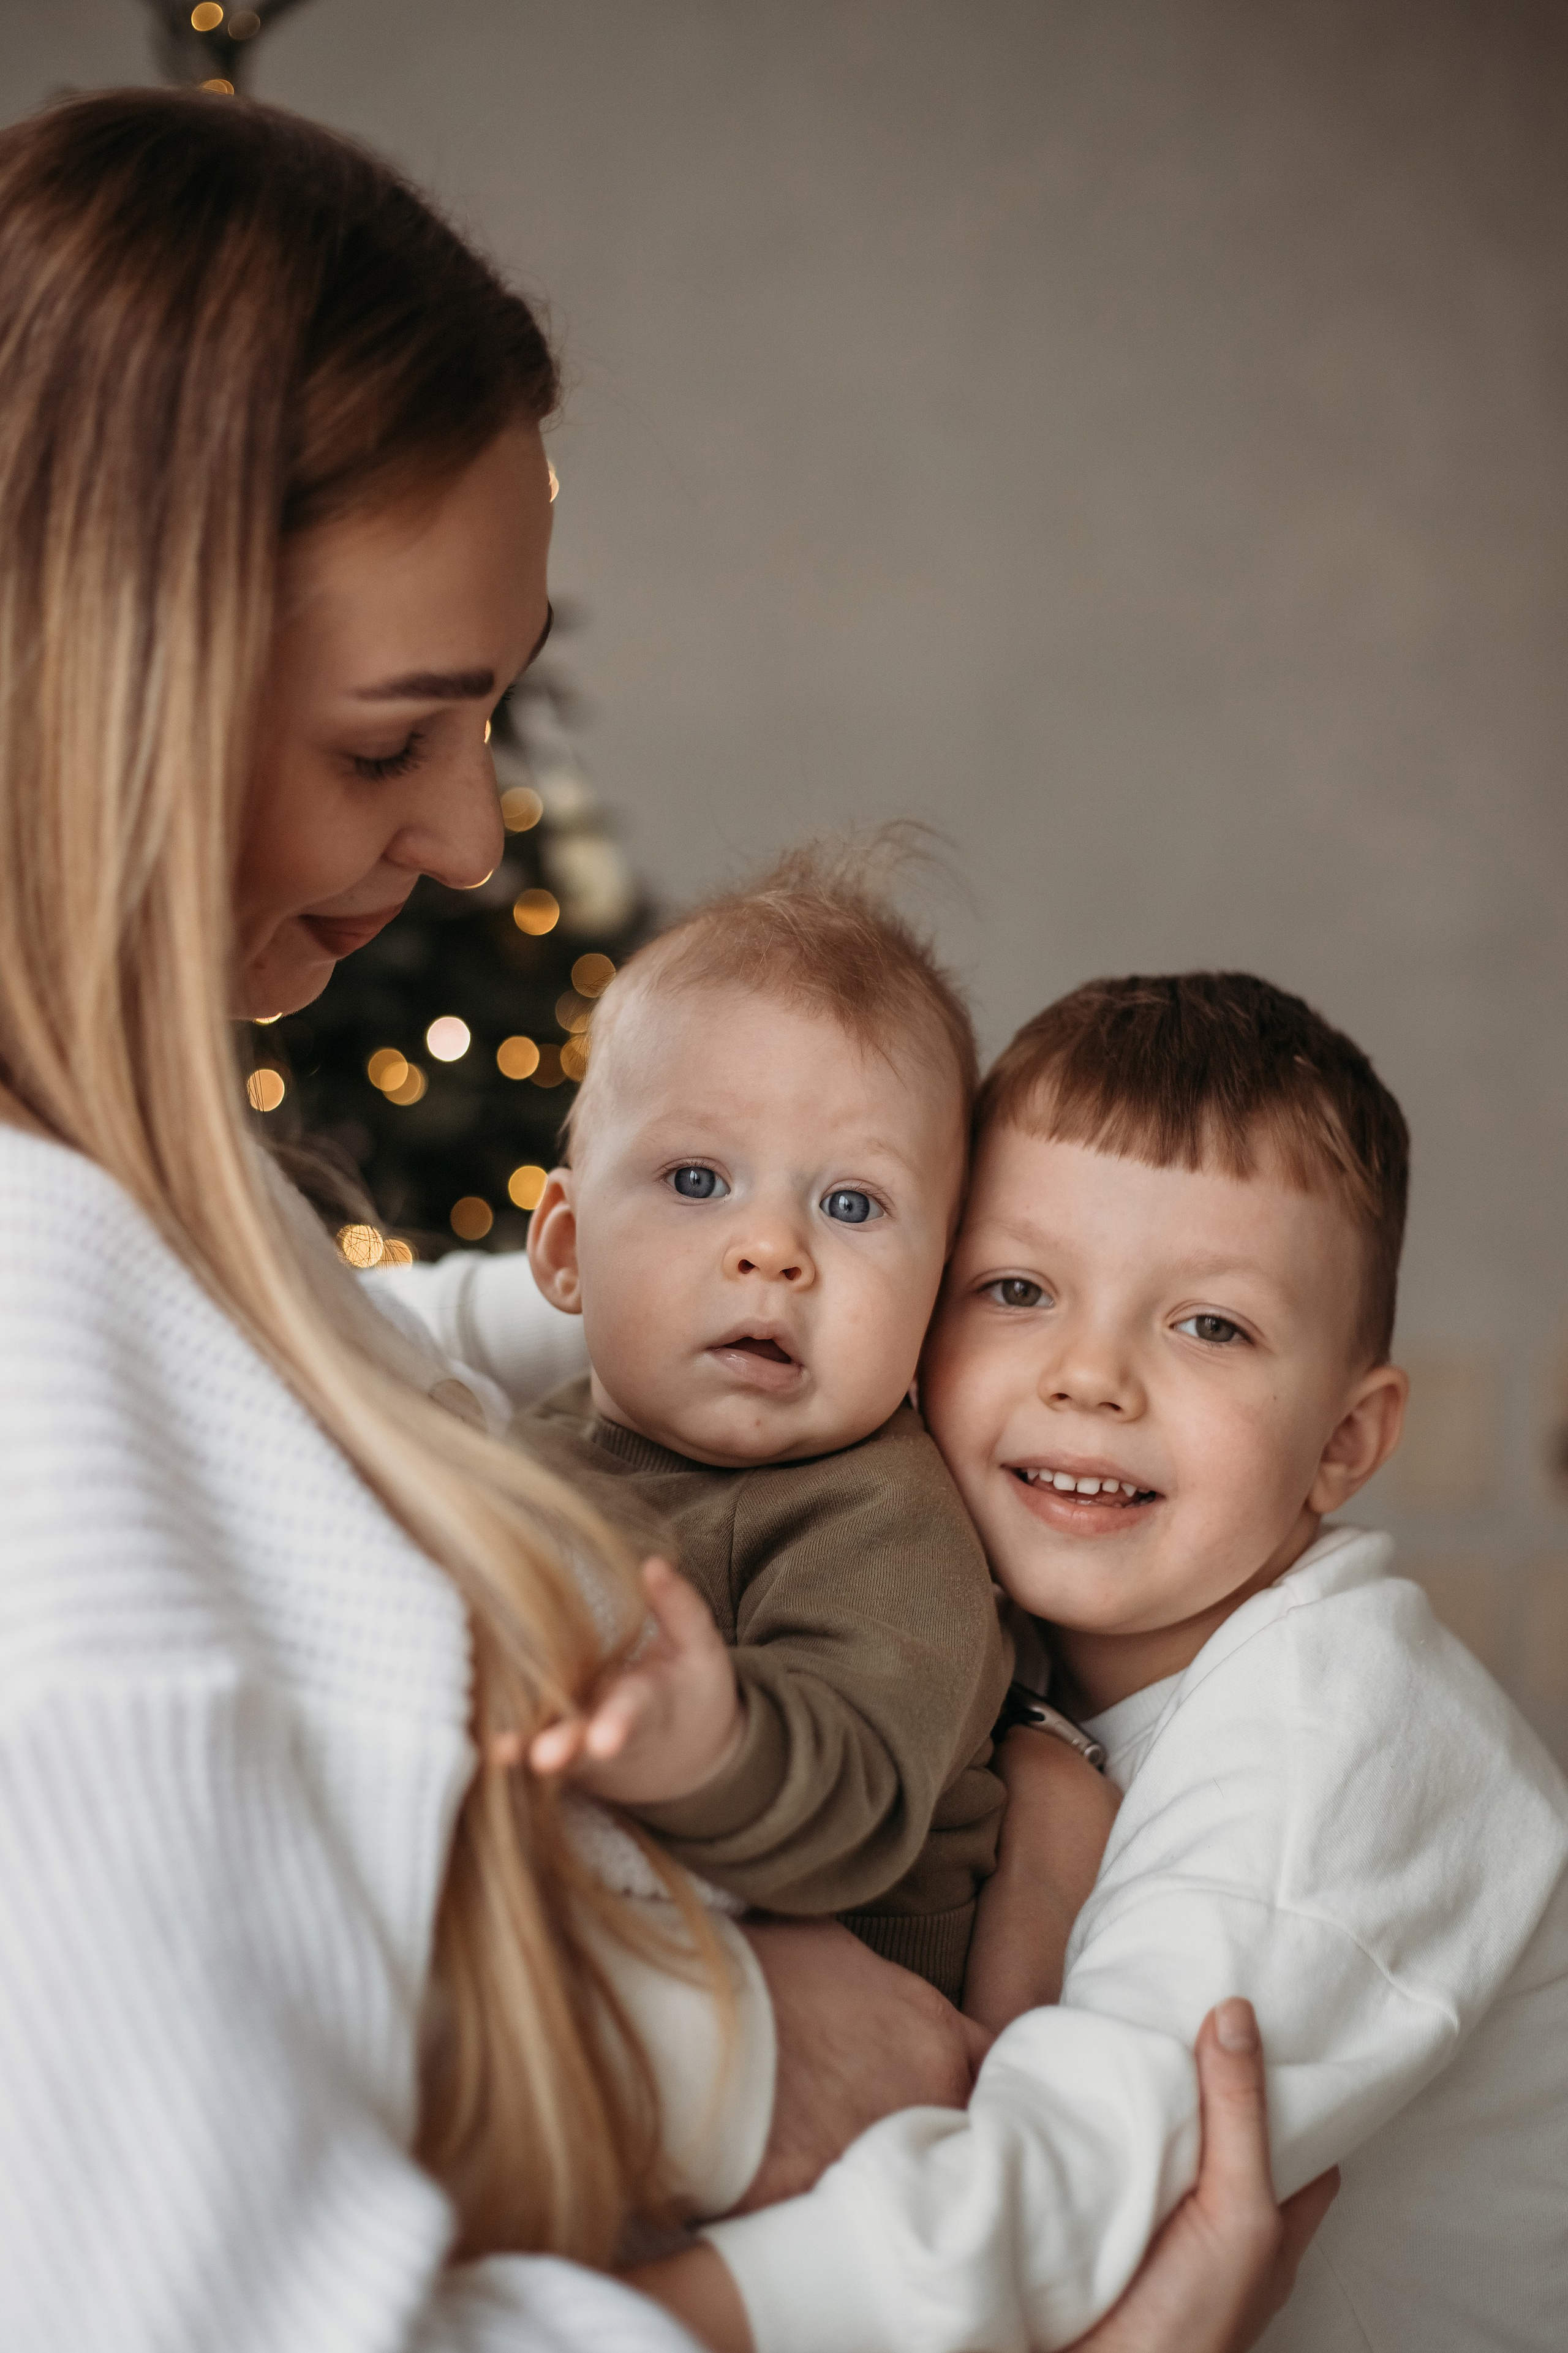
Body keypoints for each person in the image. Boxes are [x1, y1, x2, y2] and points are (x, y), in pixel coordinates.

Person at [0, 85, 1327, 2353]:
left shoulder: (208, 1285)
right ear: (101, 691)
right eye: (392, 735)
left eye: (491, 721)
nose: (474, 840)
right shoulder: (58, 1367)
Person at [692, 972, 1568, 2352]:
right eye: (1019, 1289)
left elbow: (1047, 2206)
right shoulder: (956, 1625)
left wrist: (617, 2321)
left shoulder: (1333, 1734)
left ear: (1343, 1442)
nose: (1089, 1376)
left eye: (1207, 1323)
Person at [511, 851, 1030, 2003]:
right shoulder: (526, 1448)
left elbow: (868, 1790)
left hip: (850, 2049)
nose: (772, 1249)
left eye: (853, 1204)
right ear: (561, 1249)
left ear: (936, 1293)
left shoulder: (882, 1516)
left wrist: (714, 1746)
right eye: (698, 1179)